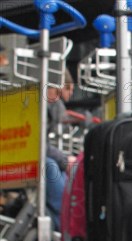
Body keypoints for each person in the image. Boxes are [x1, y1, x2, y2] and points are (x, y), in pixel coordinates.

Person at [45, 68, 76, 231]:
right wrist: (64, 160)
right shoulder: (46, 106)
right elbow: (39, 146)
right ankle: (65, 225)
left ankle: (61, 223)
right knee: (51, 166)